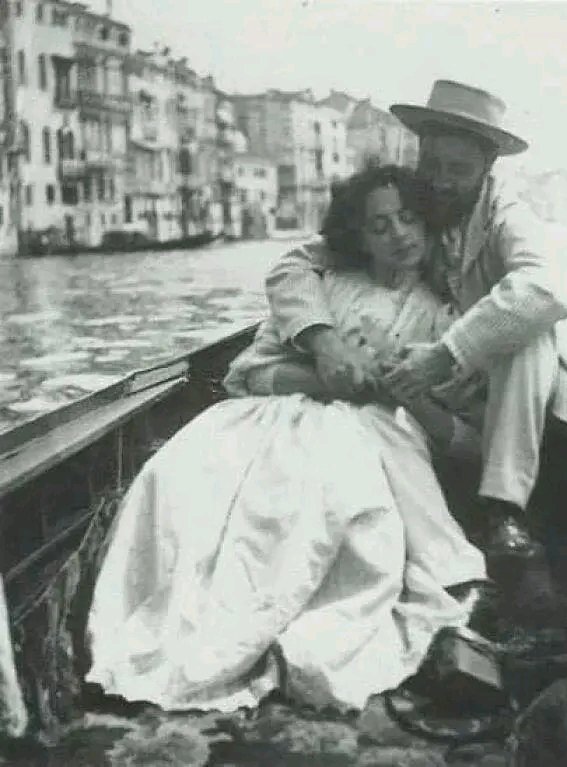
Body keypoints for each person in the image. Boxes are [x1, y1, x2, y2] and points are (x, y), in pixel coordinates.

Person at [86, 165, 491, 715]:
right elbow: (249, 375)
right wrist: (324, 376)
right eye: (379, 226)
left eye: (408, 218)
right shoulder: (321, 287)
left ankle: (298, 631)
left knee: (332, 487)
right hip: (270, 416)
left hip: (373, 429)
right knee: (182, 476)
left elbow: (464, 438)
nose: (399, 234)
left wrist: (399, 392)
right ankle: (228, 630)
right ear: (357, 237)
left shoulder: (445, 320)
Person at [264, 80, 567, 612]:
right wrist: (324, 344)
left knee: (532, 333)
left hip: (490, 372)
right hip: (423, 368)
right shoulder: (412, 202)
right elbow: (297, 263)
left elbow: (545, 288)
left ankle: (503, 509)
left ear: (487, 167)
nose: (440, 181)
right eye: (432, 164)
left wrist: (446, 353)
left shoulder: (508, 215)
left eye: (457, 171)